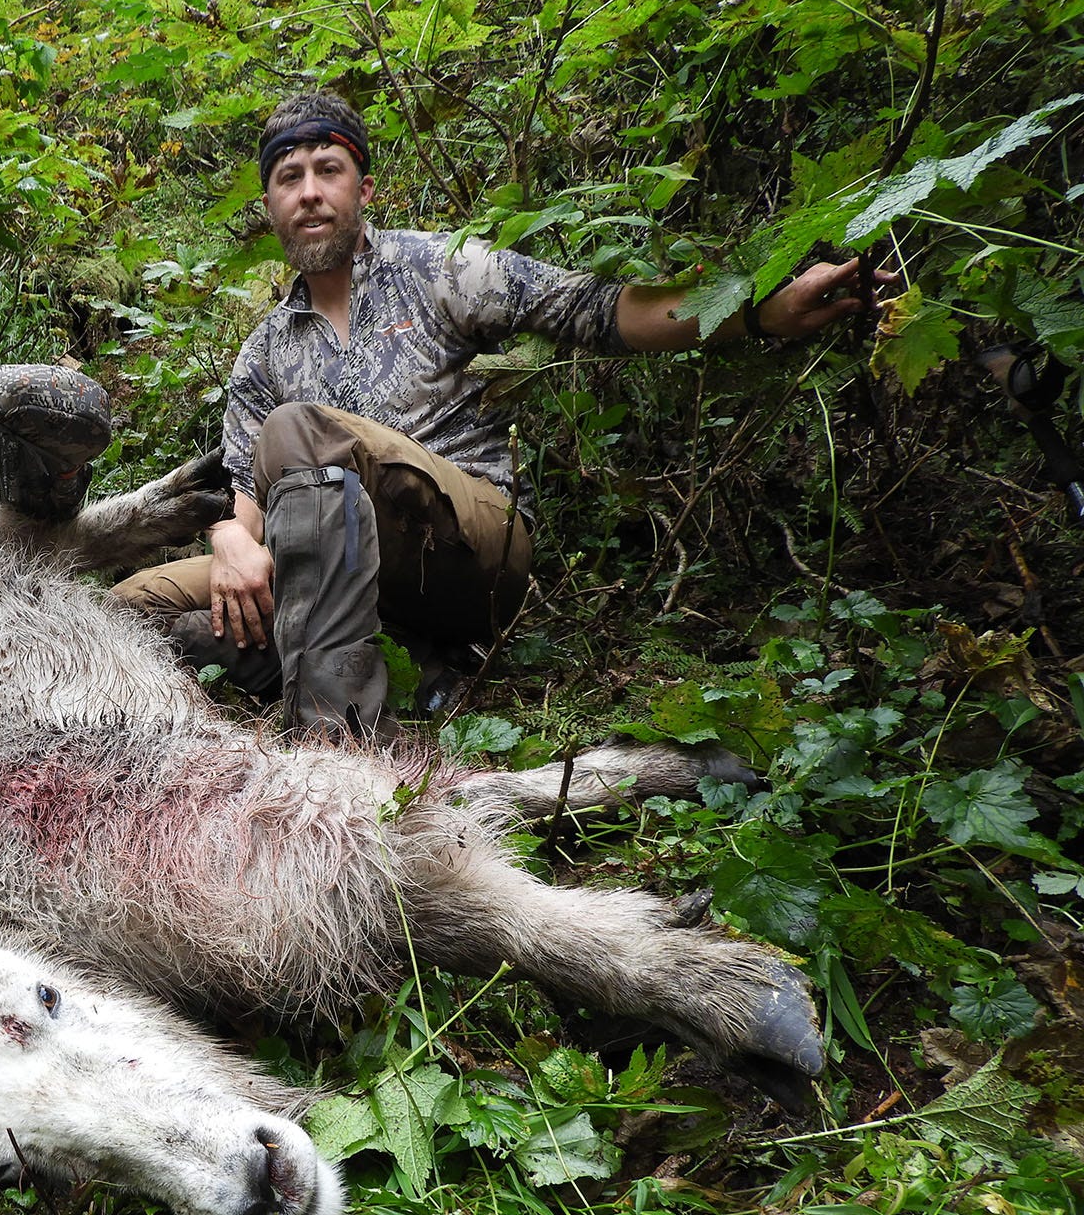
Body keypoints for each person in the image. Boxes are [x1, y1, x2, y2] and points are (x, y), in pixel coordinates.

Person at [112, 91, 891, 736]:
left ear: (363, 189)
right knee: (128, 609)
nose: (310, 190)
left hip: (468, 550)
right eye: (289, 177)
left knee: (301, 431)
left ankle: (337, 737)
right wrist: (227, 541)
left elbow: (596, 311)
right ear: (271, 206)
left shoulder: (439, 268)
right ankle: (386, 655)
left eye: (329, 169)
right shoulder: (265, 350)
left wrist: (758, 311)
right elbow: (246, 503)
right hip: (326, 566)